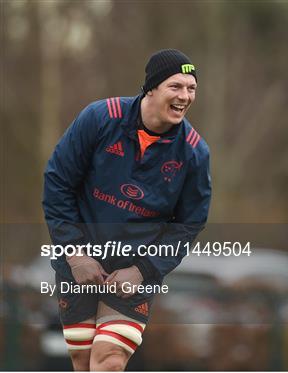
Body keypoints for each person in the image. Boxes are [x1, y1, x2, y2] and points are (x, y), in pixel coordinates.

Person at [43, 49, 211, 371]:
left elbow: (188, 225)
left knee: (108, 359)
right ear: (151, 87)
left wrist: (143, 271)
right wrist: (75, 253)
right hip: (78, 262)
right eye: (175, 87)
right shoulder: (99, 118)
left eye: (191, 89)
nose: (185, 96)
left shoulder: (195, 153)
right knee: (82, 358)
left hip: (135, 272)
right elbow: (57, 183)